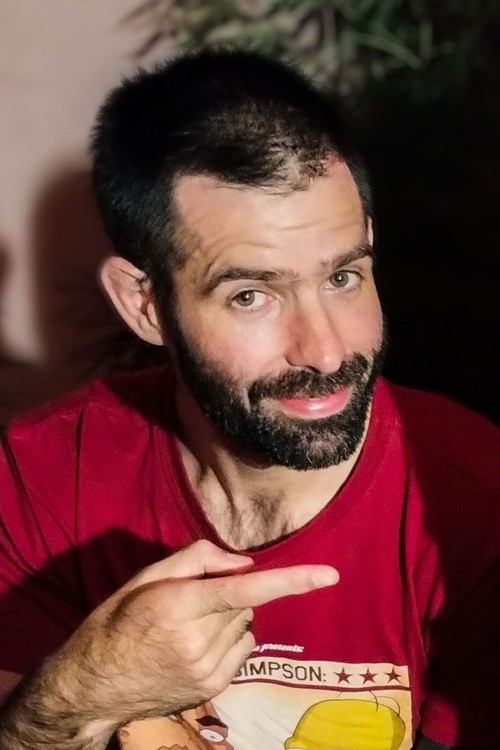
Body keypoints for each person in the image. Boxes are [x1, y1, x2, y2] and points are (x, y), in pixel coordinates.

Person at [0, 48, 498, 750]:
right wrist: (84, 692)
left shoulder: (475, 501)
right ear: (145, 305)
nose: (325, 352)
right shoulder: (44, 475)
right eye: (251, 295)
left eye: (343, 278)